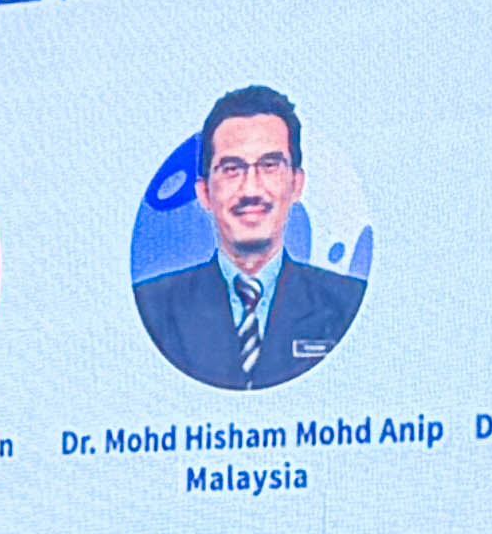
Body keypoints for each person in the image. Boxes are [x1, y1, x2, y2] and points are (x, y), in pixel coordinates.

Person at [136, 85, 364, 392]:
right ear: (204, 192)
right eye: (232, 169)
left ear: (297, 185)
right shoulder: (152, 310)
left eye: (269, 165)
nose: (251, 189)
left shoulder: (348, 303)